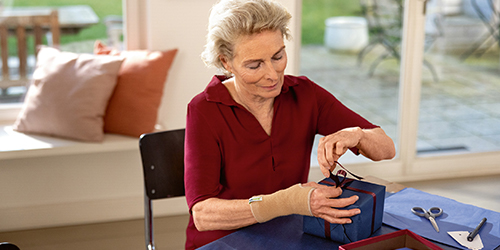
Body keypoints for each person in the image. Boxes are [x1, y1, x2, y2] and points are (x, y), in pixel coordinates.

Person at [184, 0, 396, 248]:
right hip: (225, 241)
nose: (272, 75)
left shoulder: (303, 93)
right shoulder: (204, 109)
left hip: (290, 233)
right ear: (226, 62)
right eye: (254, 65)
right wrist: (288, 202)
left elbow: (387, 149)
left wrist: (357, 135)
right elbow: (202, 214)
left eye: (278, 56)